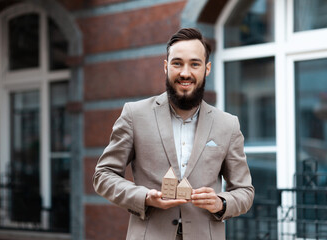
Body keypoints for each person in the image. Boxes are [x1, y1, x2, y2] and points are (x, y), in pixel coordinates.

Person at [93, 28, 254, 240]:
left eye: (194, 64)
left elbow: (245, 191)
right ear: (166, 66)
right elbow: (103, 175)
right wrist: (144, 197)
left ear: (207, 69)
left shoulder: (228, 124)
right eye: (177, 63)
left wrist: (220, 203)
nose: (185, 73)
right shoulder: (134, 115)